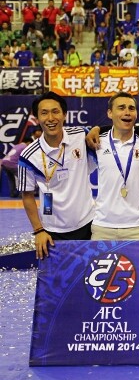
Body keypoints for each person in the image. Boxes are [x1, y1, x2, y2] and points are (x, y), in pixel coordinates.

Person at [18, 92, 95, 259]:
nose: (51, 118)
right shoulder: (28, 155)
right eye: (44, 113)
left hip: (89, 223)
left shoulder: (81, 135)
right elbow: (27, 195)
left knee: (91, 272)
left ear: (64, 115)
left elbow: (109, 137)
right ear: (37, 118)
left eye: (55, 111)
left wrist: (97, 129)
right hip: (52, 230)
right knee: (60, 275)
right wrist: (38, 230)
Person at [89, 92, 139, 240]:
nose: (127, 112)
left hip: (138, 227)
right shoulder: (96, 142)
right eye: (121, 108)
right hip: (102, 226)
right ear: (110, 113)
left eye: (131, 108)